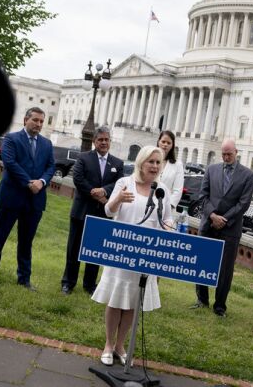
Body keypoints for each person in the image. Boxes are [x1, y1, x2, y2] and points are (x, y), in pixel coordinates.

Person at [91, 146, 174, 366]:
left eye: (158, 162)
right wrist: (118, 198)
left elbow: (167, 218)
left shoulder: (162, 190)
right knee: (115, 300)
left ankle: (120, 345)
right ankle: (108, 345)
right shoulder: (125, 183)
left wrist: (170, 227)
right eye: (151, 162)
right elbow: (109, 211)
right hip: (121, 252)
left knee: (132, 302)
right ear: (141, 163)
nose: (155, 166)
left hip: (145, 255)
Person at [0, 107, 55, 290]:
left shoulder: (46, 144)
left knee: (26, 242)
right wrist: (29, 183)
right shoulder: (11, 139)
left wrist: (43, 182)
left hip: (35, 201)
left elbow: (51, 166)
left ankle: (24, 279)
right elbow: (10, 163)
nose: (38, 124)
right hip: (11, 197)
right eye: (35, 120)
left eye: (41, 121)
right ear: (25, 120)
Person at [193, 139, 253, 317]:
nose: (226, 157)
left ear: (236, 152)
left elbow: (244, 204)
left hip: (231, 228)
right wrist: (212, 215)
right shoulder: (211, 170)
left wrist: (225, 219)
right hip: (208, 224)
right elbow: (203, 196)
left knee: (225, 269)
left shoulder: (248, 175)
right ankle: (201, 299)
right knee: (202, 263)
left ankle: (220, 306)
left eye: (229, 154)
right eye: (223, 154)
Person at [61, 126, 124, 295]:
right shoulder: (83, 158)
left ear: (110, 141)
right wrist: (96, 194)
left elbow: (119, 184)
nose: (104, 142)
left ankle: (90, 285)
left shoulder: (117, 163)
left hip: (102, 214)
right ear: (94, 141)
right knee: (73, 250)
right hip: (81, 212)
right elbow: (78, 179)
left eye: (106, 139)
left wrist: (104, 192)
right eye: (100, 139)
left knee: (95, 251)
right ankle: (68, 282)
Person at [157, 130, 185, 212]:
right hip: (146, 203)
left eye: (169, 143)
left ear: (172, 145)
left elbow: (178, 190)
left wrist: (169, 206)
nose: (165, 145)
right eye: (163, 141)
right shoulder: (149, 158)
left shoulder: (178, 164)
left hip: (166, 208)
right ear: (158, 141)